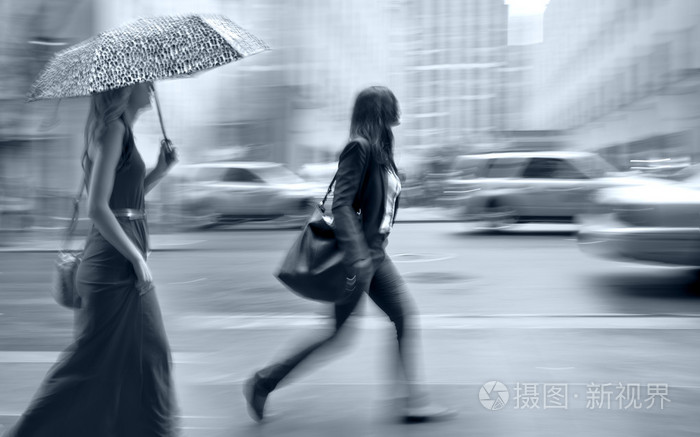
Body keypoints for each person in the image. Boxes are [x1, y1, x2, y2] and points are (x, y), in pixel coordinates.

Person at [244, 86, 454, 423]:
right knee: (341, 333)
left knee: (400, 319)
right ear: (378, 111)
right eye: (391, 105)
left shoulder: (381, 150)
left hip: (375, 254)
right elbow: (341, 205)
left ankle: (412, 401)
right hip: (360, 257)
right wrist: (357, 256)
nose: (397, 111)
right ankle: (263, 382)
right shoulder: (359, 148)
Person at [4, 82, 180, 437]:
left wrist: (161, 170)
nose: (152, 86)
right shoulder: (113, 130)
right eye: (144, 81)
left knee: (140, 356)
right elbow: (97, 207)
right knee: (97, 362)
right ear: (125, 89)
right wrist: (136, 259)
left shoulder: (122, 132)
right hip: (112, 266)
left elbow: (124, 199)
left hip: (119, 263)